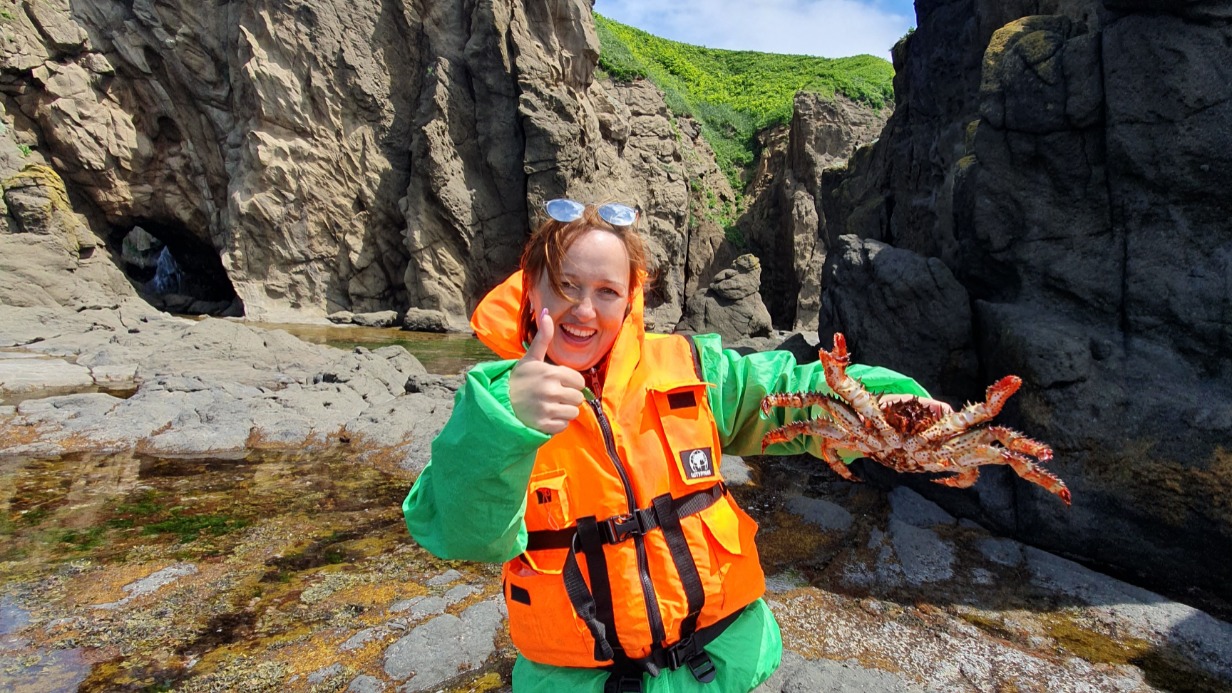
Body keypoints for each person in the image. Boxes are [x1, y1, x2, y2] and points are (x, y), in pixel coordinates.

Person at [402, 199, 939, 693]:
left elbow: (785, 392)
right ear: (532, 290)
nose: (585, 310)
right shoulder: (493, 405)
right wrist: (504, 427)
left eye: (607, 291)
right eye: (565, 286)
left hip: (727, 667)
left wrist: (886, 407)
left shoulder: (693, 368)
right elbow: (457, 532)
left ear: (630, 297)